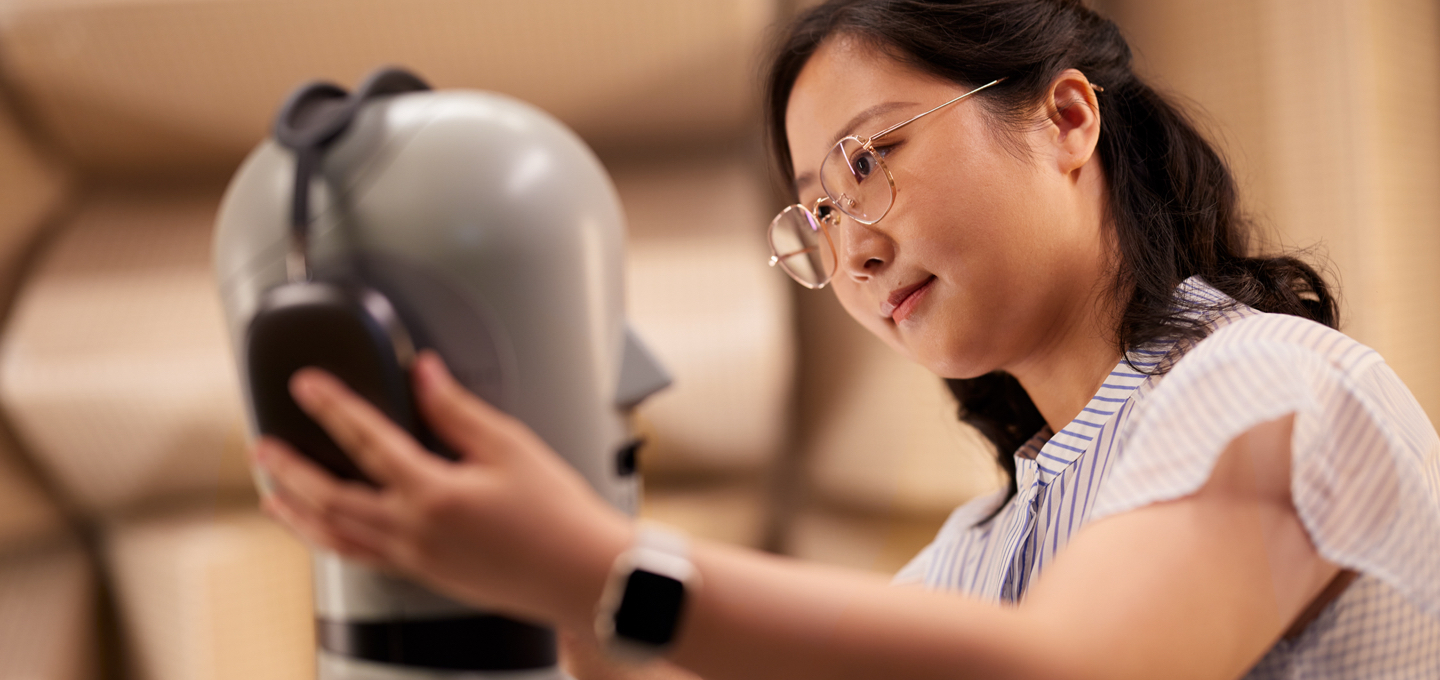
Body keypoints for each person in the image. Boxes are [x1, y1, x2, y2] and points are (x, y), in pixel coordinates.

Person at [249, 0, 1440, 677]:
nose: (851, 247)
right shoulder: (977, 550)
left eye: (869, 159)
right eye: (815, 213)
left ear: (1066, 118)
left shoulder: (1275, 388)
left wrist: (594, 563)